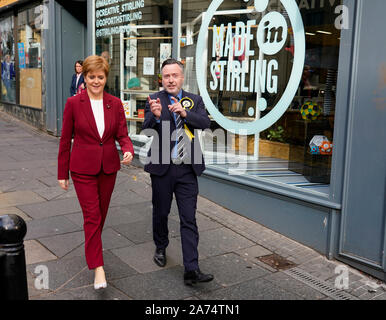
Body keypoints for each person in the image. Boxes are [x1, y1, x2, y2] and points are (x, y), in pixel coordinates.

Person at [58, 55, 134, 290]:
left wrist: (129, 149)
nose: (96, 81)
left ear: (105, 78)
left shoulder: (115, 103)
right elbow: (65, 139)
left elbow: (122, 134)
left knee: (100, 216)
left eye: (100, 77)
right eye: (91, 76)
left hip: (108, 168)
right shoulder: (73, 103)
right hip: (82, 169)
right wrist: (62, 173)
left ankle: (93, 250)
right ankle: (98, 268)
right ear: (85, 76)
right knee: (92, 216)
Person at [142, 58, 214, 285]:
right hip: (162, 169)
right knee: (161, 213)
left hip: (187, 170)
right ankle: (161, 247)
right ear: (161, 79)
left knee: (188, 218)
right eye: (166, 76)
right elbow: (145, 130)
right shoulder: (154, 100)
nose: (171, 80)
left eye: (175, 75)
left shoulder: (194, 100)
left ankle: (191, 269)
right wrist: (154, 116)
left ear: (182, 78)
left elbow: (205, 123)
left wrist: (185, 114)